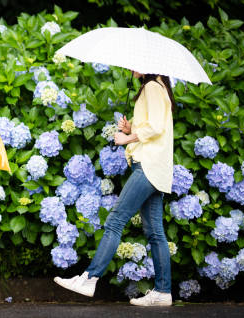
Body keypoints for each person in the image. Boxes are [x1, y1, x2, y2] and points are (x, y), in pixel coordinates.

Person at [54, 71, 176, 306]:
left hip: (148, 167)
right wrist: (131, 128)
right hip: (156, 167)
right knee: (155, 233)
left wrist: (126, 139)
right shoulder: (158, 86)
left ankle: (89, 278)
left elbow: (157, 127)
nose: (131, 69)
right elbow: (153, 127)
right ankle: (163, 292)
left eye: (135, 63)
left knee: (115, 220)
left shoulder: (152, 86)